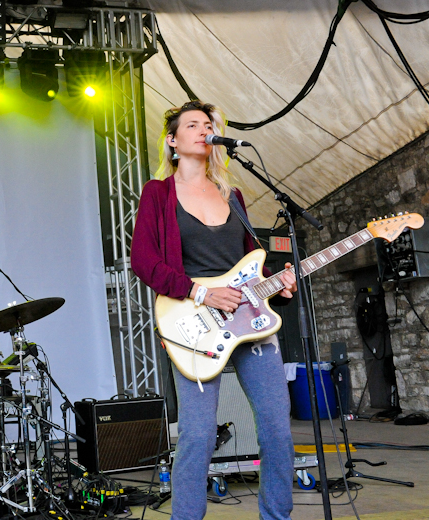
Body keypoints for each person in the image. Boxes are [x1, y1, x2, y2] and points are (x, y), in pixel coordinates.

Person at [130, 100, 298, 520]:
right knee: (199, 435)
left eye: (208, 124)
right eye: (192, 125)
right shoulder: (158, 194)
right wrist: (201, 294)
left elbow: (250, 264)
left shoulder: (233, 195)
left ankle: (276, 515)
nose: (203, 130)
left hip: (252, 326)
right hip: (194, 322)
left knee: (278, 428)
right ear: (172, 140)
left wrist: (281, 284)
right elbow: (144, 261)